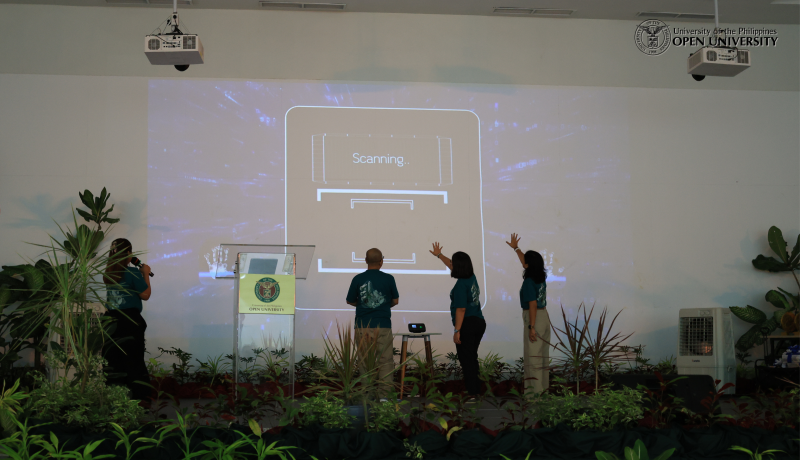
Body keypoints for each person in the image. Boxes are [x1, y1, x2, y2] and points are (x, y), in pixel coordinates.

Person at [430, 242, 485, 397]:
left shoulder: (461, 285)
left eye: (453, 263)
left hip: (467, 324)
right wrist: (440, 255)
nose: (451, 265)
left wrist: (457, 330)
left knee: (467, 360)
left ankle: (473, 394)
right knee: (472, 358)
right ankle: (476, 391)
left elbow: (461, 309)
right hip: (479, 322)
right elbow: (453, 265)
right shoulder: (471, 277)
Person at [103, 238, 152, 401]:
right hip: (130, 322)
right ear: (129, 253)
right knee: (134, 360)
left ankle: (114, 396)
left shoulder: (108, 274)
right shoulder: (132, 272)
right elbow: (145, 295)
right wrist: (145, 274)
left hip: (111, 321)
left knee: (114, 359)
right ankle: (138, 397)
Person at [345, 248, 399, 396]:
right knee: (386, 361)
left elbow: (350, 300)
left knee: (364, 361)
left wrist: (364, 305)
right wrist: (384, 305)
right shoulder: (389, 278)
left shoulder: (357, 279)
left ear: (365, 260)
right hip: (383, 325)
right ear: (382, 261)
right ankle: (385, 398)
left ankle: (367, 395)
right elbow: (395, 300)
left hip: (362, 325)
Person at [506, 233, 550, 394]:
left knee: (533, 359)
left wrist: (531, 326)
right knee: (542, 357)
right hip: (544, 316)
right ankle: (543, 391)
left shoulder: (529, 282)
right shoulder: (540, 277)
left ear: (528, 265)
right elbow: (526, 262)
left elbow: (532, 304)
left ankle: (534, 395)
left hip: (535, 318)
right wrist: (516, 249)